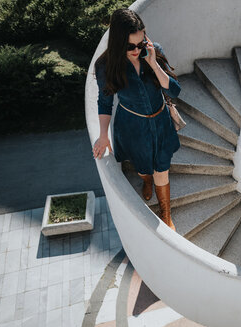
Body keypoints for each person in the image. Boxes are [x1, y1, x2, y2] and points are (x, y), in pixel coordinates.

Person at [92, 8, 180, 231]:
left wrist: (152, 62)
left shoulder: (152, 52)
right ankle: (146, 179)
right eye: (131, 46)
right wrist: (103, 135)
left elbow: (175, 90)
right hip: (133, 126)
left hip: (160, 122)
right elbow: (105, 101)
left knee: (162, 167)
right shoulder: (106, 67)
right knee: (142, 166)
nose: (136, 50)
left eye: (141, 43)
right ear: (118, 43)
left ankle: (166, 213)